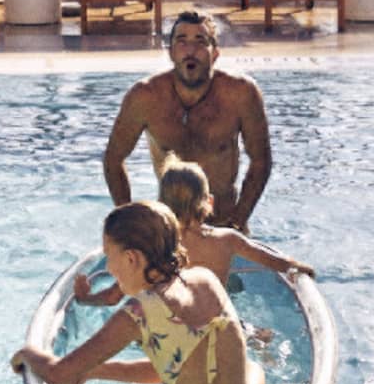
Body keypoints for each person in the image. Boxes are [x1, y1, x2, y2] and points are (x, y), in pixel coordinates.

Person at [13, 201, 264, 384]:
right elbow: (174, 362)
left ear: (131, 258)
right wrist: (94, 371)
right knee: (252, 368)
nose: (110, 269)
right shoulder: (205, 279)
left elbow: (60, 375)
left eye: (110, 257)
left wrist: (26, 354)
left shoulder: (137, 313)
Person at [102, 12, 271, 231]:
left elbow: (261, 161)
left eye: (200, 42)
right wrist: (131, 222)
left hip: (225, 224)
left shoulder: (240, 94)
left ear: (215, 53)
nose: (190, 51)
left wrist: (238, 221)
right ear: (171, 52)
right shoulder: (145, 96)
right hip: (169, 229)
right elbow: (113, 160)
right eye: (182, 42)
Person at [74, 155, 313, 307]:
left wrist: (85, 298)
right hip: (217, 324)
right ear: (209, 202)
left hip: (170, 329)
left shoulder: (156, 246)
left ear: (160, 204)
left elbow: (114, 296)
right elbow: (273, 261)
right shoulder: (228, 240)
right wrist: (298, 267)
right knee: (250, 334)